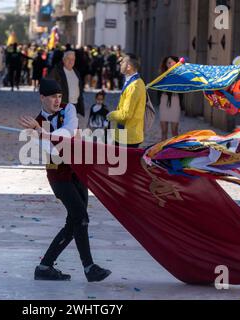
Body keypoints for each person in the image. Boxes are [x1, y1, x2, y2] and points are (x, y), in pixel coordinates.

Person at [18, 78, 112, 282]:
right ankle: (89, 268)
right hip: (58, 177)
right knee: (80, 218)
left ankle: (45, 267)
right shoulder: (36, 123)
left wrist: (44, 133)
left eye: (59, 96)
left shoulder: (68, 109)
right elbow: (52, 151)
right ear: (42, 97)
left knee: (75, 222)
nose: (57, 101)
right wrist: (41, 135)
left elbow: (69, 132)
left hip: (78, 172)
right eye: (53, 97)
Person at [107, 54, 147, 148]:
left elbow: (126, 114)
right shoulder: (133, 82)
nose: (120, 63)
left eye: (123, 61)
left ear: (129, 67)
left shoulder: (134, 86)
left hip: (128, 136)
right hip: (125, 133)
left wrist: (111, 115)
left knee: (124, 162)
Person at [48, 51, 85, 116]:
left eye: (73, 59)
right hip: (62, 105)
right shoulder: (57, 71)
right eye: (68, 59)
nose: (71, 61)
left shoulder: (76, 72)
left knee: (71, 124)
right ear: (63, 60)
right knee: (59, 123)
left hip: (74, 105)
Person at [158, 56, 183, 141]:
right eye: (168, 62)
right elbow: (158, 89)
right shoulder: (162, 75)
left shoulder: (180, 75)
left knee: (174, 131)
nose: (170, 64)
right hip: (164, 101)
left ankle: (173, 151)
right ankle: (162, 150)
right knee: (164, 131)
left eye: (172, 62)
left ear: (176, 63)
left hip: (175, 101)